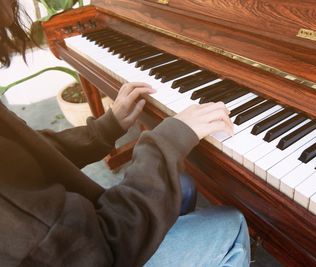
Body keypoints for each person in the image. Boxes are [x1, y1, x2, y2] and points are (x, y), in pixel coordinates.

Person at [0, 1, 250, 266]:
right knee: (230, 223)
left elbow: (26, 154)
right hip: (95, 250)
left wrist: (104, 129)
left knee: (183, 185)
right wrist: (169, 139)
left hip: (71, 236)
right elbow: (101, 247)